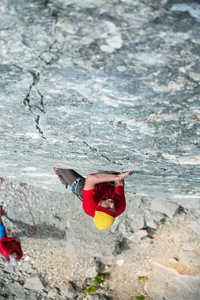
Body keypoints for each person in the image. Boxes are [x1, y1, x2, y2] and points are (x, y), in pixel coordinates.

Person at [54, 168, 133, 230]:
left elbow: (91, 178)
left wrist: (118, 177)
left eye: (108, 207)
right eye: (113, 209)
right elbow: (119, 182)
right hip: (108, 187)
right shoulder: (120, 206)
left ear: (99, 205)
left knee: (62, 168)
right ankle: (66, 179)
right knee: (115, 174)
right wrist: (117, 176)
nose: (112, 204)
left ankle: (63, 178)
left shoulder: (89, 206)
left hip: (91, 193)